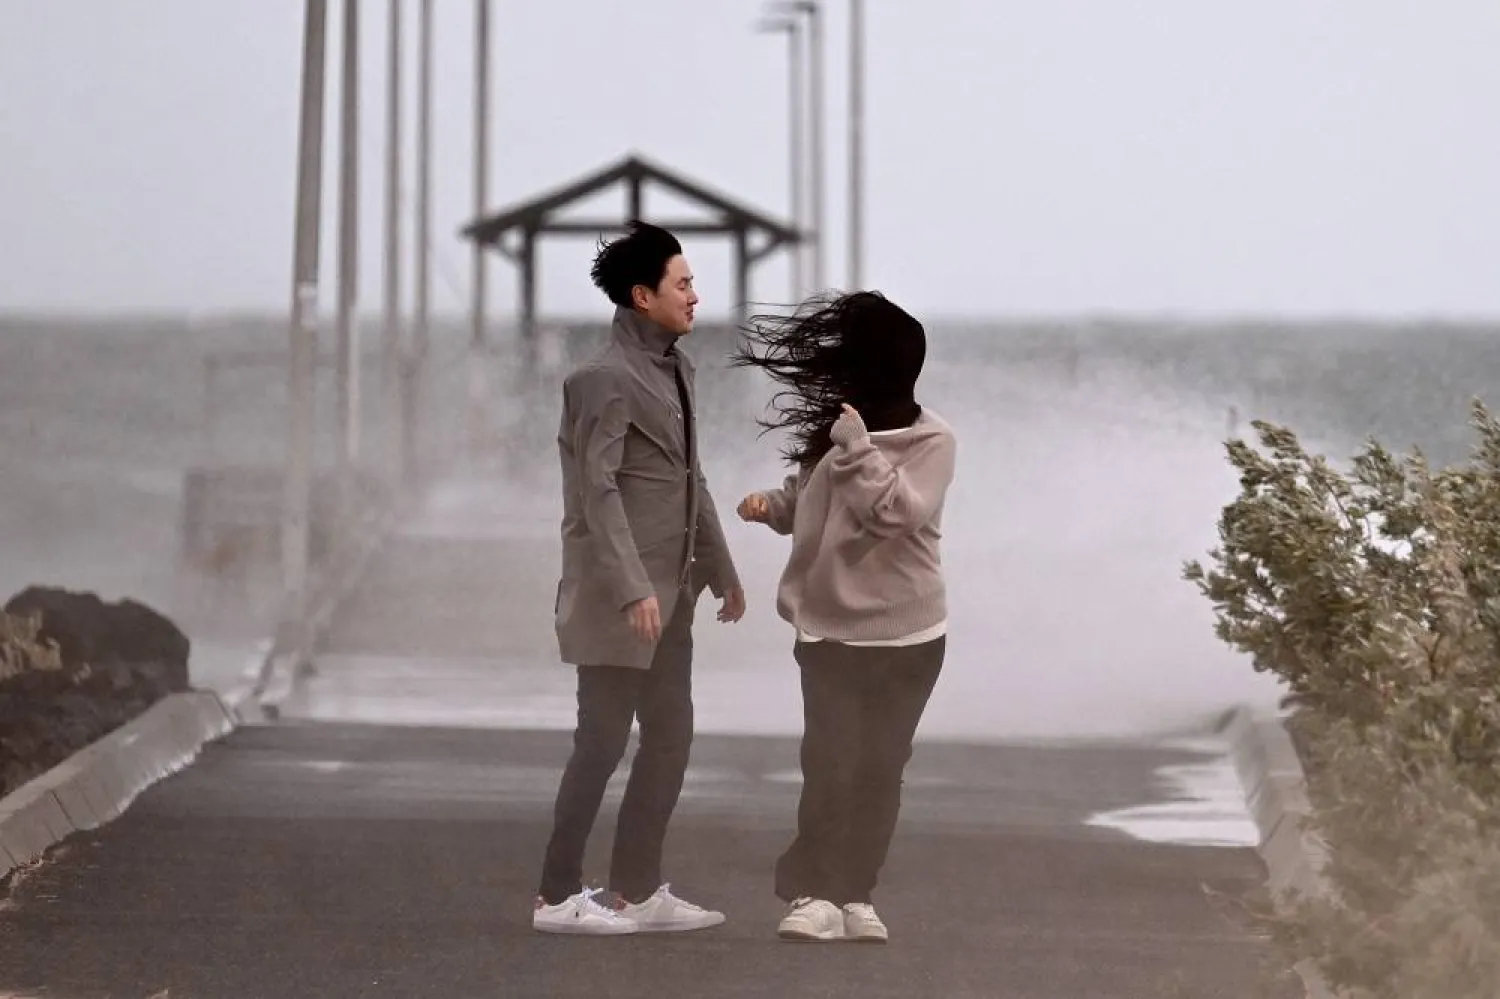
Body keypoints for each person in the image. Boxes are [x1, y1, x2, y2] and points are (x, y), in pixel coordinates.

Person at [533, 221, 747, 936]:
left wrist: (721, 568)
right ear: (641, 294)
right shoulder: (602, 380)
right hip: (617, 600)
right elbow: (598, 493)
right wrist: (631, 586)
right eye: (682, 284)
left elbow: (689, 479)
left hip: (672, 596)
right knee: (600, 739)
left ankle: (636, 887)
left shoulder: (675, 369)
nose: (695, 296)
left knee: (670, 736)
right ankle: (556, 896)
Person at [731, 291, 956, 944]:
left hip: (911, 635)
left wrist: (856, 446)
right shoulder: (838, 433)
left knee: (881, 767)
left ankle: (856, 894)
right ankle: (814, 892)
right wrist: (771, 506)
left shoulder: (933, 439)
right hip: (829, 630)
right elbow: (813, 502)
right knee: (829, 762)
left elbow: (894, 514)